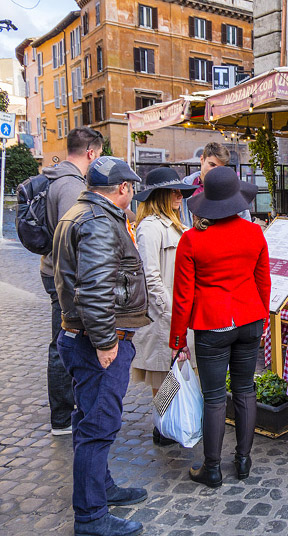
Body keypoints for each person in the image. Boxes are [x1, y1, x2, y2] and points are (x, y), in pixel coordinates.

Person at [53, 156, 150, 536]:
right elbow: (93, 288)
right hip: (97, 340)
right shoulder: (98, 221)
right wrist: (106, 341)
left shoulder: (80, 213)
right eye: (132, 189)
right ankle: (91, 517)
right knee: (98, 425)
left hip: (80, 335)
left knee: (89, 419)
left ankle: (102, 488)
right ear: (123, 189)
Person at [170, 166, 271, 488]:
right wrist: (263, 319)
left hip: (211, 325)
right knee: (245, 391)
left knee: (214, 398)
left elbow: (183, 295)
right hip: (250, 319)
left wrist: (177, 338)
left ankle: (212, 468)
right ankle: (244, 461)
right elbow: (263, 282)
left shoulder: (191, 240)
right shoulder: (254, 233)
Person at [39, 127, 103, 436]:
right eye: (99, 154)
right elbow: (72, 239)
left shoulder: (56, 177)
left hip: (52, 271)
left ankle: (67, 411)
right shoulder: (70, 186)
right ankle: (63, 417)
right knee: (63, 343)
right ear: (91, 152)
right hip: (63, 277)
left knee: (65, 340)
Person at [131, 168, 199, 446]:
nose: (179, 196)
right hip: (163, 318)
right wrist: (173, 315)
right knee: (164, 375)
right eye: (173, 191)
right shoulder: (149, 227)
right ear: (159, 195)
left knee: (177, 373)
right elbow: (151, 277)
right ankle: (163, 426)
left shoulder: (175, 225)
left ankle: (169, 423)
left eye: (179, 192)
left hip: (178, 314)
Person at [180, 142, 251, 225]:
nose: (215, 171)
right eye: (212, 165)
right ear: (202, 160)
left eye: (220, 167)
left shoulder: (230, 188)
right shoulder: (185, 187)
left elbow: (245, 219)